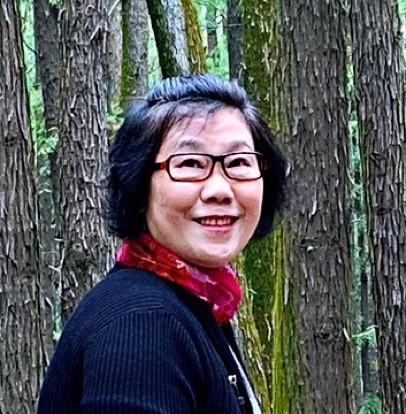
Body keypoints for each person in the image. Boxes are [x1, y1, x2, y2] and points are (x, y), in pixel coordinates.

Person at [38, 73, 286, 414]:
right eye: (190, 164)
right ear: (139, 188)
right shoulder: (141, 324)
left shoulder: (195, 303)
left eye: (238, 163)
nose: (219, 189)